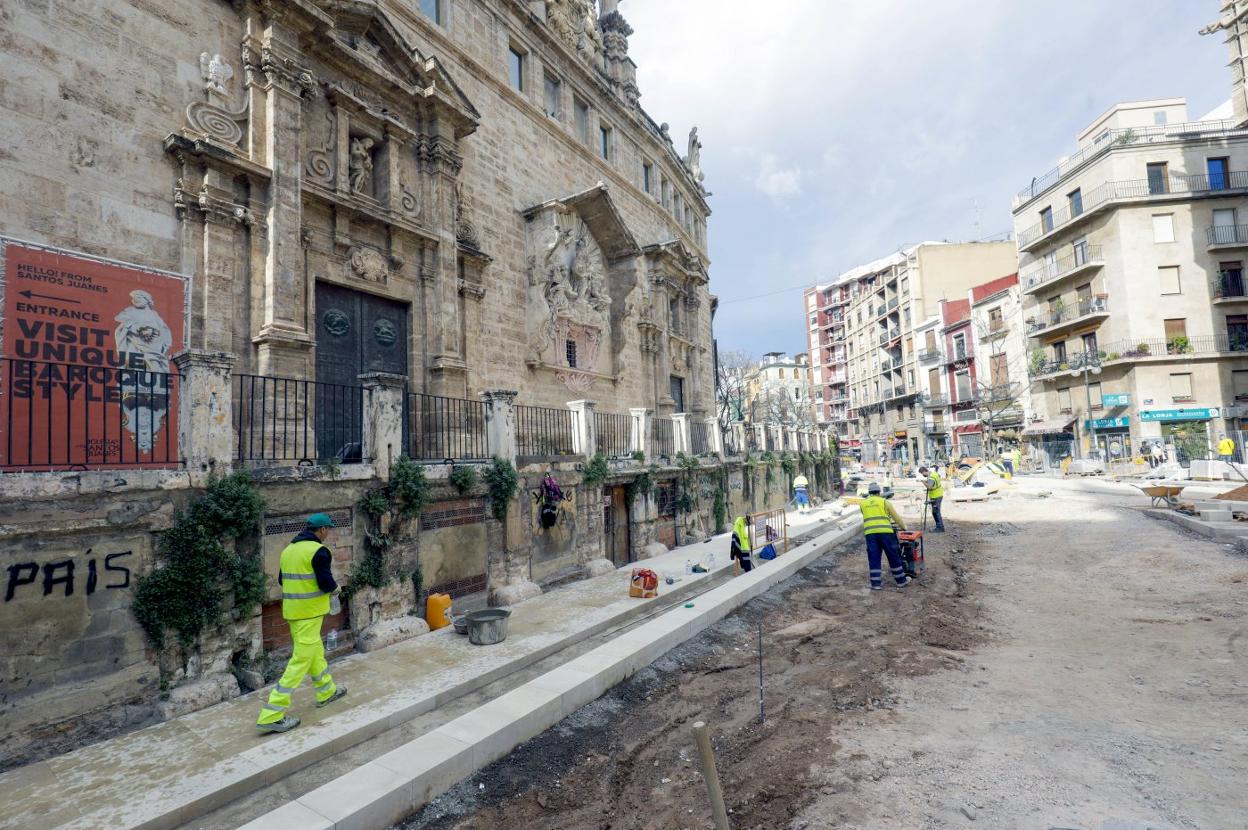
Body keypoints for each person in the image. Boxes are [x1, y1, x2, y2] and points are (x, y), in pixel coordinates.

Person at [257, 513, 348, 734]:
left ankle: (326, 691)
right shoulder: (319, 551)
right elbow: (325, 582)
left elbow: (282, 579)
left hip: (293, 612)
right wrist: (337, 589)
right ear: (323, 530)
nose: (329, 533)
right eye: (329, 529)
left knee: (314, 650)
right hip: (310, 613)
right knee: (300, 661)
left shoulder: (289, 550)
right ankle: (272, 713)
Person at [858, 482, 911, 591]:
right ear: (879, 492)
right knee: (893, 556)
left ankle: (875, 584)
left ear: (869, 493)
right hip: (886, 533)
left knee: (874, 558)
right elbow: (896, 517)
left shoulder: (863, 504)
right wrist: (904, 527)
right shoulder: (884, 502)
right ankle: (901, 581)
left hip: (870, 534)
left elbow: (866, 516)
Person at [918, 465, 946, 533]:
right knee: (934, 512)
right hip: (936, 495)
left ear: (924, 471)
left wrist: (923, 482)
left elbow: (930, 487)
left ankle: (940, 527)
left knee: (936, 512)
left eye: (922, 474)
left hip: (937, 496)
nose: (922, 475)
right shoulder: (934, 474)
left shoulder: (932, 477)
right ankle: (938, 526)